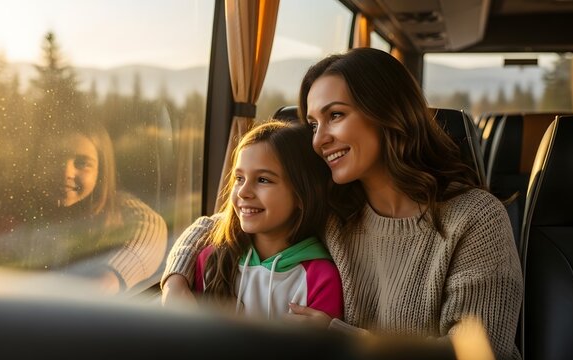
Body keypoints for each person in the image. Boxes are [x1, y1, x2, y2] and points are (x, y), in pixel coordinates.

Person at [162, 48, 522, 359]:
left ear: (387, 113)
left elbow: (479, 352)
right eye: (313, 124)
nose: (319, 140)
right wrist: (175, 282)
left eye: (335, 115)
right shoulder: (335, 207)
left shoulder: (475, 219)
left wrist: (339, 338)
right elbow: (215, 224)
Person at [189, 120, 342, 320]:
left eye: (263, 180)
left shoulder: (321, 278)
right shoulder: (211, 260)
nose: (243, 192)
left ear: (301, 195)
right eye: (239, 179)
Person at [24, 120, 168, 294]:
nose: (66, 173)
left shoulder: (119, 209)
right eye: (55, 158)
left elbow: (150, 227)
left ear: (101, 170)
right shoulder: (23, 212)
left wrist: (107, 280)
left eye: (82, 163)